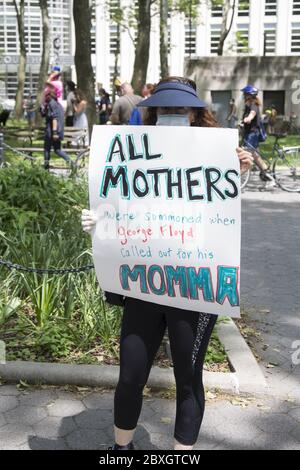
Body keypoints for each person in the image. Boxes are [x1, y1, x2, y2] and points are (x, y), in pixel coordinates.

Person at [82, 77, 253, 451]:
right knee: (130, 375)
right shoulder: (132, 153)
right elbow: (120, 207)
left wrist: (239, 170)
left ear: (194, 114)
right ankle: (121, 449)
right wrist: (100, 220)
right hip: (144, 286)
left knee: (188, 376)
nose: (172, 115)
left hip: (194, 288)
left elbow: (223, 213)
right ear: (153, 112)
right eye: (164, 109)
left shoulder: (217, 154)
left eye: (179, 109)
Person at [240, 85, 276, 189]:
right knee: (255, 155)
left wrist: (248, 119)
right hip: (249, 133)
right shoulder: (248, 105)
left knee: (248, 154)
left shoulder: (253, 105)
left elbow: (252, 114)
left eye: (244, 94)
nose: (243, 96)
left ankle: (269, 177)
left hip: (253, 134)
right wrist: (243, 123)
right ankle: (267, 174)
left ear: (249, 95)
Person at [40, 85, 73, 171]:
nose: (44, 97)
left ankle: (46, 169)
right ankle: (72, 164)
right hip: (57, 131)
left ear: (49, 96)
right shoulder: (57, 104)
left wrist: (54, 133)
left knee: (47, 149)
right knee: (57, 150)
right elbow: (46, 115)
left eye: (45, 95)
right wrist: (42, 108)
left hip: (52, 132)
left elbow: (54, 119)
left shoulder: (52, 104)